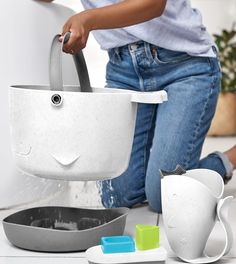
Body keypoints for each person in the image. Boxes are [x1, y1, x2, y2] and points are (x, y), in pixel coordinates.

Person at [39, 0, 236, 212]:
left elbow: (153, 4)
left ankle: (231, 157)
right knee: (118, 197)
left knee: (163, 197)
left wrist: (87, 19)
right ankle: (164, 174)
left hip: (184, 66)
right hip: (123, 71)